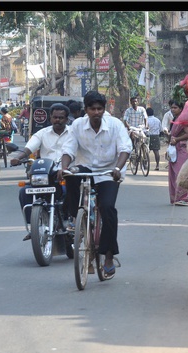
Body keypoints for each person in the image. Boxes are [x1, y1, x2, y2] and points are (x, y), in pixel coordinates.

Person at [59, 90, 132, 279]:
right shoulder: (77, 125)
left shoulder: (115, 125)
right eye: (92, 109)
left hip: (109, 173)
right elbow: (68, 148)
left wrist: (118, 168)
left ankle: (108, 257)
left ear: (104, 109)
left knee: (107, 209)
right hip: (86, 170)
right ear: (86, 110)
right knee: (70, 175)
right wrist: (64, 166)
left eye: (100, 109)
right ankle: (76, 218)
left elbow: (125, 148)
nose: (96, 112)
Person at [10, 103, 72, 241]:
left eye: (61, 118)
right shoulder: (42, 134)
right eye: (55, 117)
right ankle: (33, 226)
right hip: (45, 174)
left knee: (71, 191)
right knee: (24, 192)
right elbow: (29, 148)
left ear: (67, 119)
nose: (58, 120)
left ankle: (70, 221)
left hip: (66, 173)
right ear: (50, 118)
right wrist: (18, 158)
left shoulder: (73, 134)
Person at [166, 100, 188, 206]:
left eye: (175, 107)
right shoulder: (175, 119)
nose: (173, 110)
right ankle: (176, 197)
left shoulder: (183, 120)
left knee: (179, 172)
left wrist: (177, 139)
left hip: (182, 148)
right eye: (172, 107)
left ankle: (184, 198)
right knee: (172, 173)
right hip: (175, 149)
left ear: (181, 109)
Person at [145, 107, 162, 171]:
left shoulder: (146, 120)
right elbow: (161, 129)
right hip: (156, 136)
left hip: (148, 136)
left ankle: (145, 164)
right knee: (156, 151)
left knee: (146, 151)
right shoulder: (157, 120)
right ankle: (157, 165)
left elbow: (145, 128)